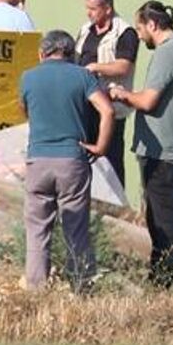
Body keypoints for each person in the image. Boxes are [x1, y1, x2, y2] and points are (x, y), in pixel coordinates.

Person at [108, 0, 173, 284]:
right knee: (163, 218)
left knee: (164, 223)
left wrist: (121, 94)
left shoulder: (169, 52)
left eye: (140, 28)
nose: (138, 35)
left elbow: (148, 101)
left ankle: (167, 280)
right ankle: (163, 276)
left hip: (162, 152)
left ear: (152, 25)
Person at [19, 30, 114, 290]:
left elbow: (25, 111)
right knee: (75, 228)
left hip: (37, 159)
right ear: (71, 54)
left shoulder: (28, 77)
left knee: (37, 230)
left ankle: (36, 290)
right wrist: (101, 147)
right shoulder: (81, 76)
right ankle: (81, 287)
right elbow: (106, 110)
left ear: (42, 53)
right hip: (72, 160)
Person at [75, 0, 139, 188]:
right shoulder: (85, 30)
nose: (89, 13)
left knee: (110, 163)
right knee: (85, 161)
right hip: (86, 106)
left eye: (93, 9)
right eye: (87, 8)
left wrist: (96, 67)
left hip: (111, 107)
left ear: (108, 9)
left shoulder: (125, 32)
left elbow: (124, 66)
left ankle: (116, 210)